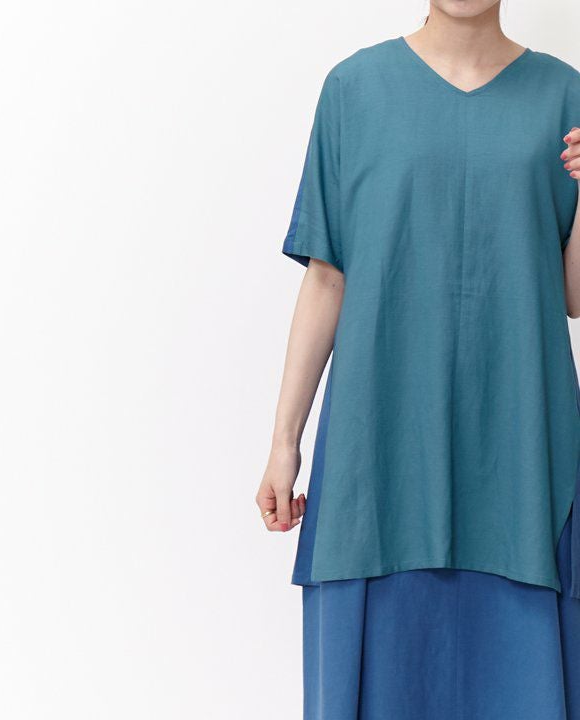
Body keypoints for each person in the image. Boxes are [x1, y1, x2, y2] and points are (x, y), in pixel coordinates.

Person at [256, 1, 580, 717]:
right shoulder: (353, 90)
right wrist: (284, 443)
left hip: (519, 459)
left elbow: (574, 295)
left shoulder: (566, 95)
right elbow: (327, 278)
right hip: (379, 457)